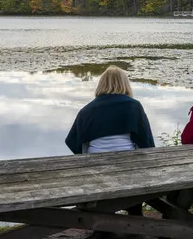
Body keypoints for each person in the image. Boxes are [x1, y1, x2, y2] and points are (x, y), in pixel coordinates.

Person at [65, 65, 154, 219]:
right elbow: (147, 142)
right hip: (129, 166)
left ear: (101, 84)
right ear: (125, 84)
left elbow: (73, 142)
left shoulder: (88, 110)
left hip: (97, 167)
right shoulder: (134, 106)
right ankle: (136, 219)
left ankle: (102, 228)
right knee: (136, 170)